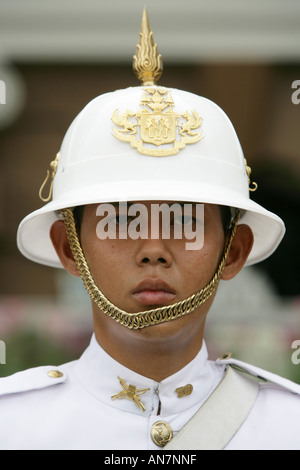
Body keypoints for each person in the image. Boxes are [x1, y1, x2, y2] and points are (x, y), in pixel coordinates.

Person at [0, 9, 299, 451]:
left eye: (185, 221)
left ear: (233, 252)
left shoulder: (288, 426)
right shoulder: (13, 425)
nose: (153, 249)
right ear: (69, 248)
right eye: (121, 219)